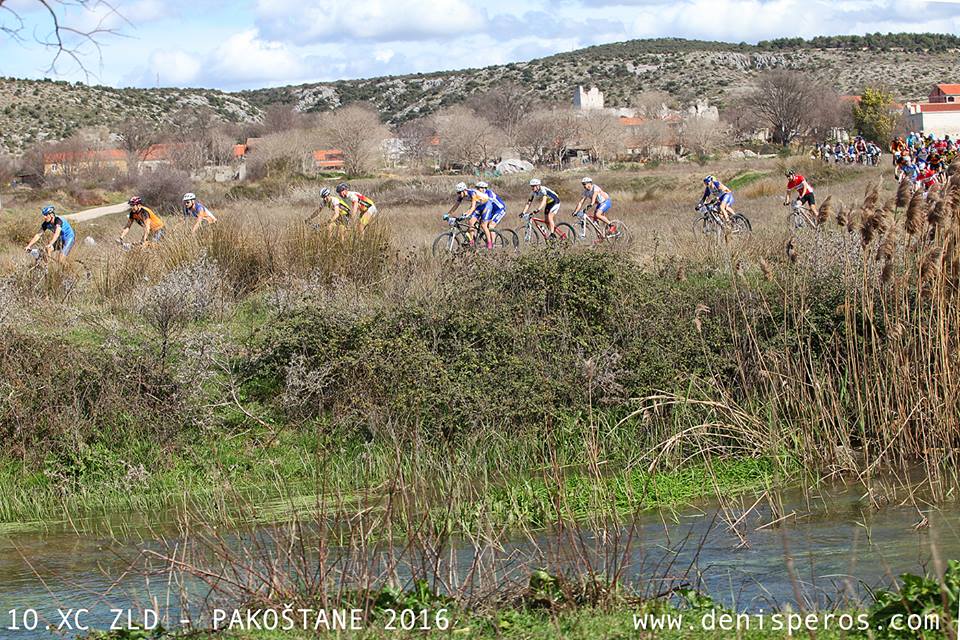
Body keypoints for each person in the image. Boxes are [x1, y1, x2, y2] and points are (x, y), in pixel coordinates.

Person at [449, 181, 491, 247]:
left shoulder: (472, 193)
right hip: (479, 206)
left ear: (464, 190)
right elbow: (456, 205)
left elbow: (473, 206)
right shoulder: (461, 196)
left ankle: (489, 244)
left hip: (486, 205)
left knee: (483, 225)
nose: (459, 194)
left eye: (459, 192)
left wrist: (467, 214)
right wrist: (448, 214)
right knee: (470, 222)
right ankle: (472, 242)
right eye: (457, 193)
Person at [475, 180, 507, 247]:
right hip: (491, 210)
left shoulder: (489, 193)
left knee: (491, 226)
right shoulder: (478, 195)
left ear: (484, 188)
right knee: (482, 224)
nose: (478, 190)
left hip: (499, 209)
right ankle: (488, 239)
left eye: (479, 188)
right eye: (477, 188)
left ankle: (492, 244)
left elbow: (488, 205)